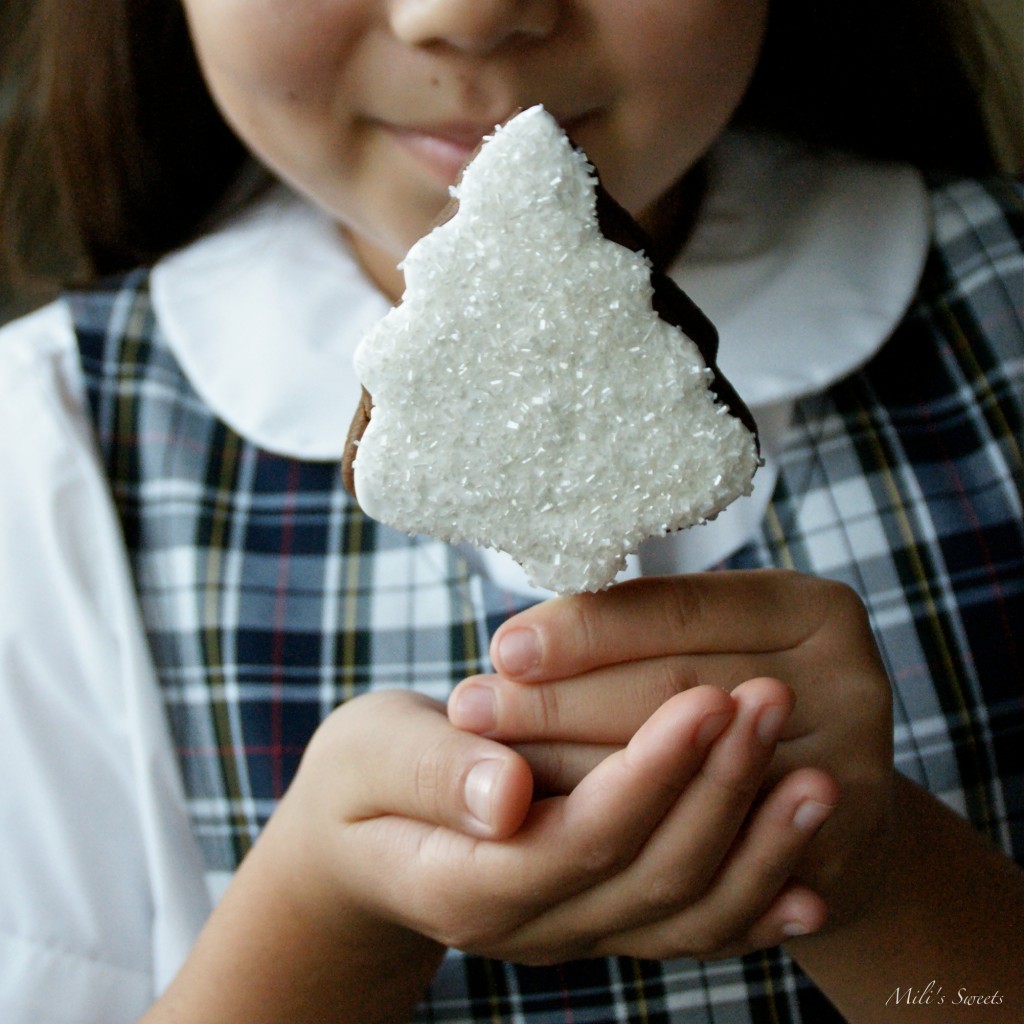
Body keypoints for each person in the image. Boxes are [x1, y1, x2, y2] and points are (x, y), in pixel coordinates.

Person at [0, 0, 1021, 1021]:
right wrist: (318, 908)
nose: (466, 13)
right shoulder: (49, 449)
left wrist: (887, 871)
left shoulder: (1003, 317)